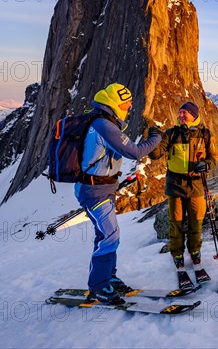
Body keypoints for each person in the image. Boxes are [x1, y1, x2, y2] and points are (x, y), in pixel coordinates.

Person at [76, 83, 162, 304]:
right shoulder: (105, 126)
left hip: (101, 188)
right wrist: (156, 138)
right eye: (126, 103)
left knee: (105, 235)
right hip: (94, 191)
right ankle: (98, 287)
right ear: (114, 104)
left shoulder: (101, 121)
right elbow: (135, 152)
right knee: (110, 236)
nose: (130, 106)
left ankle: (108, 277)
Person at [149, 101, 218, 269]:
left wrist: (208, 164)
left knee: (196, 221)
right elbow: (155, 154)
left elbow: (214, 156)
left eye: (184, 113)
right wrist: (153, 138)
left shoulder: (206, 135)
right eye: (179, 113)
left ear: (193, 115)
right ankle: (177, 254)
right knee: (176, 223)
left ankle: (195, 251)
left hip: (196, 186)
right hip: (175, 185)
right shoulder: (171, 134)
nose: (180, 116)